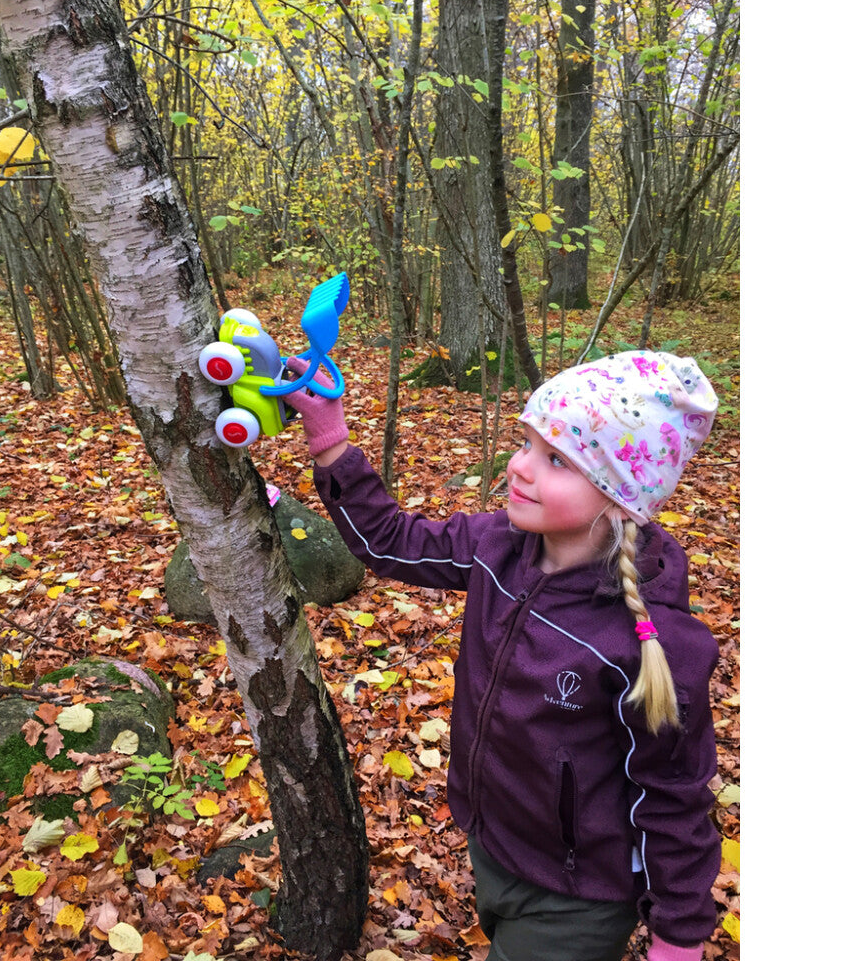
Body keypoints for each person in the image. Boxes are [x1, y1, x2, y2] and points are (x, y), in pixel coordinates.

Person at [282, 349, 722, 961]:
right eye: (525, 444)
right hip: (493, 847)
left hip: (577, 897)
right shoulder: (499, 546)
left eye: (557, 459)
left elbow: (673, 797)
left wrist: (678, 937)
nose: (518, 467)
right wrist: (330, 441)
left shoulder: (649, 642)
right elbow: (390, 542)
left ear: (620, 496)